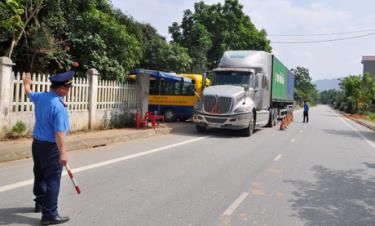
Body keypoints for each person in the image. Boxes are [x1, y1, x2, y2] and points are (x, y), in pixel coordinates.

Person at [23, 71, 74, 225]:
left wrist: (26, 84)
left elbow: (29, 93)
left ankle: (39, 202)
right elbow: (59, 132)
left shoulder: (42, 96)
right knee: (52, 179)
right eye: (68, 87)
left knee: (39, 173)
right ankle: (50, 214)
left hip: (37, 144)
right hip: (51, 147)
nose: (69, 90)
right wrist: (63, 153)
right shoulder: (58, 106)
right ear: (62, 89)